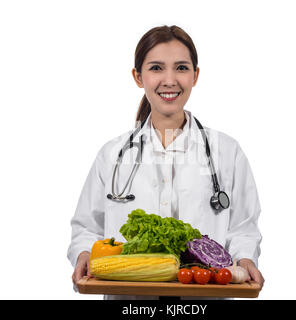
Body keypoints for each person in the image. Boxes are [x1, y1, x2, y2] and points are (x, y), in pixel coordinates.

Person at [67, 25, 265, 300]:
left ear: (195, 76)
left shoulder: (227, 152)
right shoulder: (112, 154)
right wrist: (85, 253)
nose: (169, 80)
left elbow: (244, 226)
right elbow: (86, 227)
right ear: (138, 77)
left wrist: (245, 259)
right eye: (157, 68)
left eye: (181, 68)